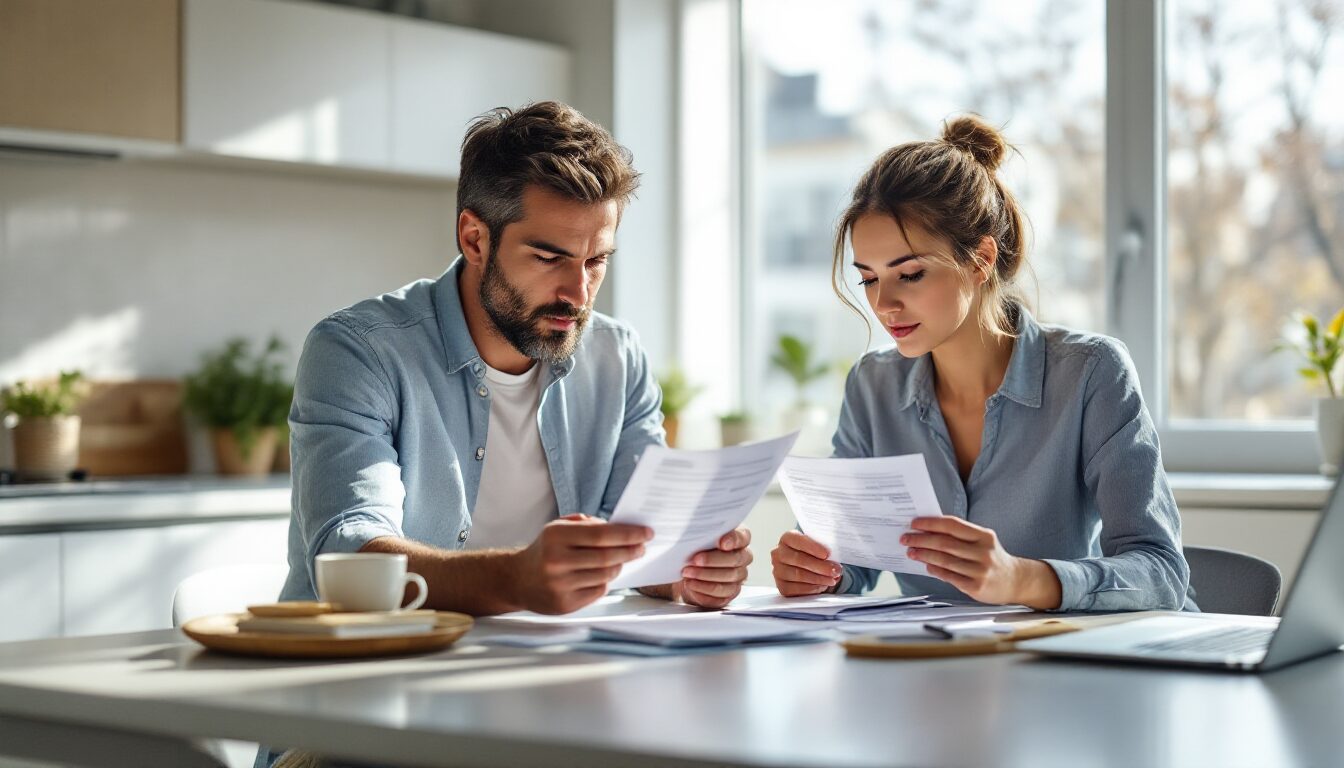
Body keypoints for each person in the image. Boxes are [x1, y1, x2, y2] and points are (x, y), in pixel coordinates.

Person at [277, 101, 753, 617]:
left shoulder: (616, 357)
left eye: (596, 261)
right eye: (550, 258)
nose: (579, 292)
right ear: (474, 238)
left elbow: (642, 543)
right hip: (370, 670)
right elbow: (348, 555)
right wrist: (516, 578)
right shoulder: (358, 352)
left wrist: (688, 569)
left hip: (539, 668)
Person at [770, 116, 1194, 612]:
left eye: (910, 275)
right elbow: (855, 559)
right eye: (868, 278)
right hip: (950, 672)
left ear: (980, 260)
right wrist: (819, 571)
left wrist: (1022, 579)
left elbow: (1162, 572)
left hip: (1095, 666)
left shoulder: (1090, 373)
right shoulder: (873, 386)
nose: (883, 303)